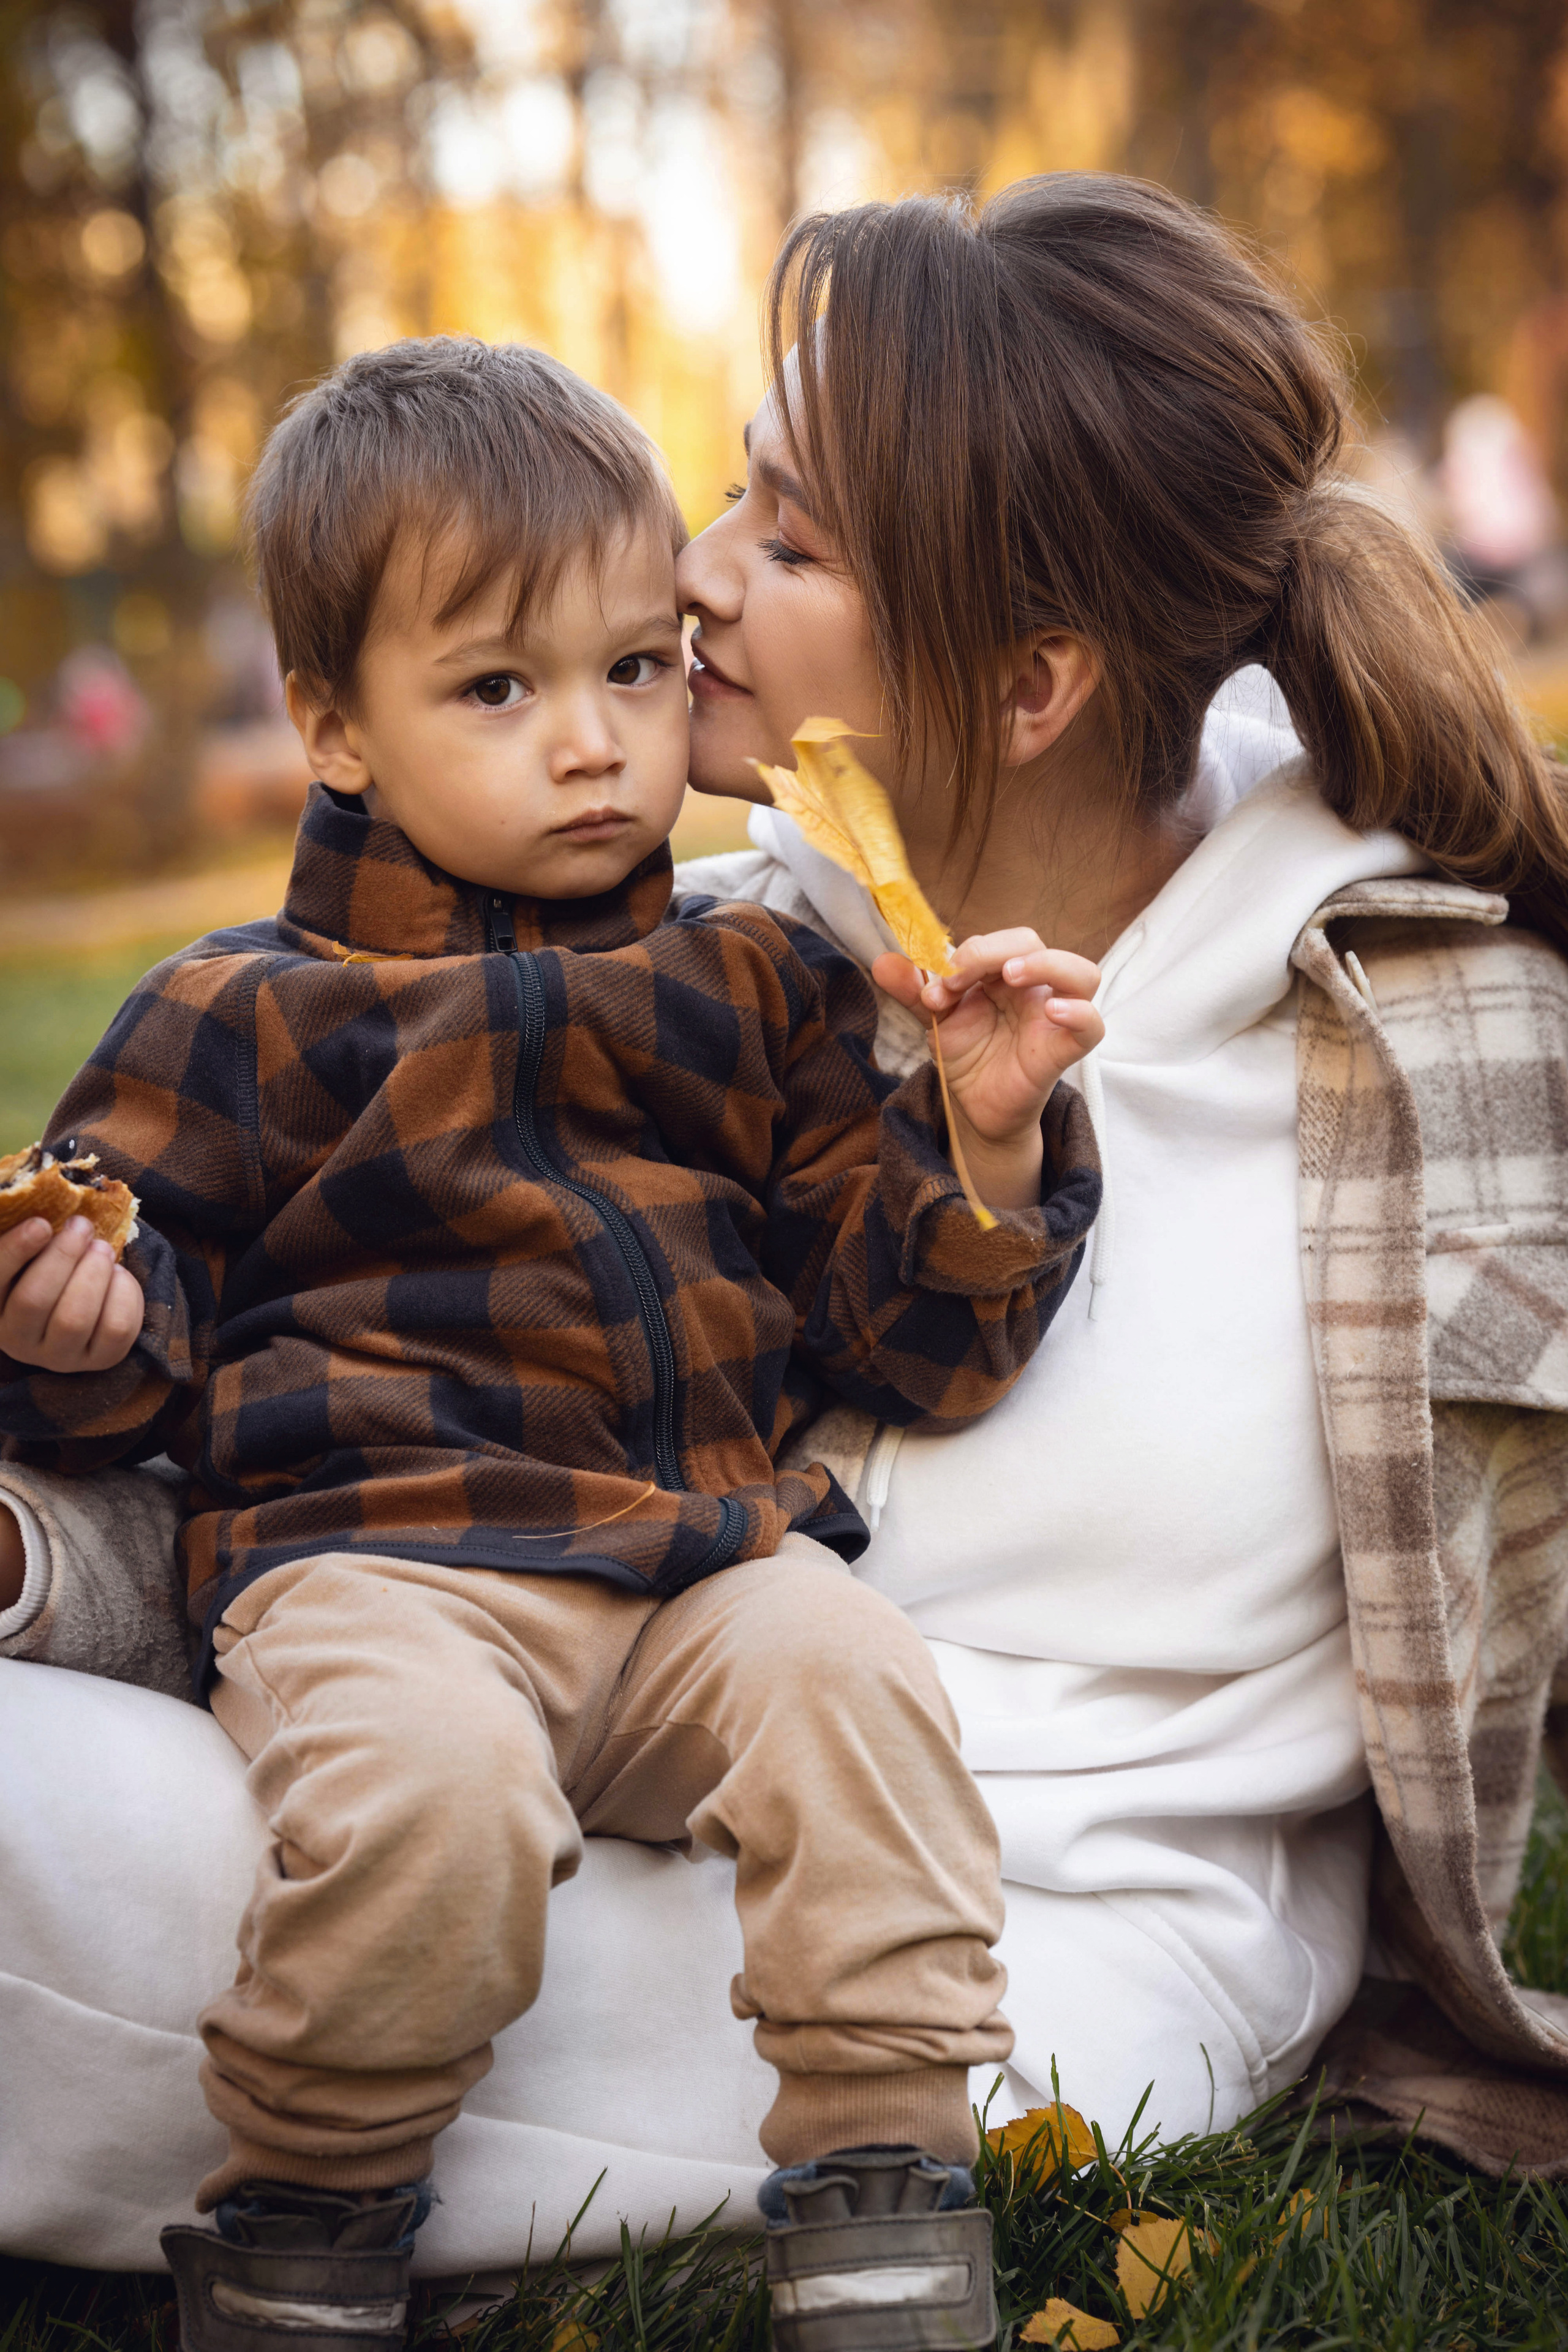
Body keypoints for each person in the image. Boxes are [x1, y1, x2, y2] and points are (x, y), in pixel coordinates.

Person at [5, 170, 1568, 2282]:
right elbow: (307, 1378)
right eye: (727, 503)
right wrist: (42, 1532)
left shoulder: (1421, 1057)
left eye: (790, 537)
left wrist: (996, 1162)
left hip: (1011, 1948)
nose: (693, 574)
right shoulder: (717, 962)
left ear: (1029, 684)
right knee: (342, 1814)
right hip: (524, 1717)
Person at [0, 336, 1105, 2350]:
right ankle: (307, 2225)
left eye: (633, 669)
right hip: (381, 1569)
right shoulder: (234, 1013)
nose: (593, 742)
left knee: (856, 1679)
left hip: (692, 1560)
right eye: (497, 691)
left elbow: (900, 1332)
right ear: (336, 726)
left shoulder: (760, 977)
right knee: (429, 1808)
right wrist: (74, 1319)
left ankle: (881, 2172)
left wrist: (987, 1132)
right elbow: (126, 1354)